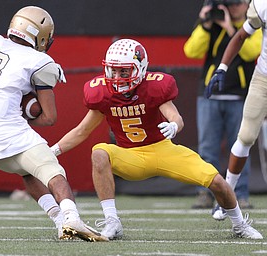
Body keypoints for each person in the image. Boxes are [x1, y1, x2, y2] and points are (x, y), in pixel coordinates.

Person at [50, 38, 263, 240]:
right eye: (113, 70)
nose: (117, 76)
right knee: (99, 151)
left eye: (124, 70)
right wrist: (54, 151)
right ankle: (112, 221)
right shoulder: (103, 93)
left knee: (217, 182)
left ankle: (239, 224)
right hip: (130, 157)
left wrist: (173, 126)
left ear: (140, 67)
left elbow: (176, 118)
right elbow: (82, 131)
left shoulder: (154, 86)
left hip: (163, 150)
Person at [0, 6, 108, 242]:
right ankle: (72, 218)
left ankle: (60, 221)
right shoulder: (39, 61)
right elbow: (49, 118)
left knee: (28, 172)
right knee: (53, 170)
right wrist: (29, 111)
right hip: (8, 131)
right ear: (41, 35)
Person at [183, 0, 262, 215]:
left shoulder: (253, 24)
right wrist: (204, 23)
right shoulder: (211, 26)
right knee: (207, 148)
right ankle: (205, 193)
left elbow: (250, 52)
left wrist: (231, 28)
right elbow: (191, 50)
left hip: (239, 95)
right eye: (229, 3)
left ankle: (241, 194)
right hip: (210, 95)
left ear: (246, 5)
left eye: (237, 3)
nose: (233, 8)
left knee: (240, 146)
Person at [207, 0, 267, 222]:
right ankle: (225, 198)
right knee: (246, 136)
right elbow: (241, 36)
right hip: (263, 79)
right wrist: (222, 67)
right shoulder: (262, 5)